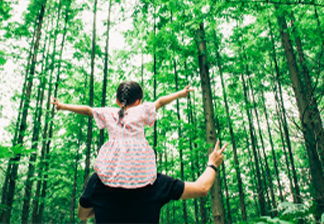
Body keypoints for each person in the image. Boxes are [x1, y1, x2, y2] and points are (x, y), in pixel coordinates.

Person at [51, 81, 194, 189]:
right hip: (139, 164)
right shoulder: (142, 109)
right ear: (139, 101)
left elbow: (88, 110)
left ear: (117, 101)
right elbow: (160, 101)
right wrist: (180, 93)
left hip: (114, 165)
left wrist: (63, 106)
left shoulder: (109, 112)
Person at [78, 140, 228, 223]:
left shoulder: (98, 181)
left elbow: (82, 214)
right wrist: (212, 163)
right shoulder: (156, 182)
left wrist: (108, 209)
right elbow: (202, 188)